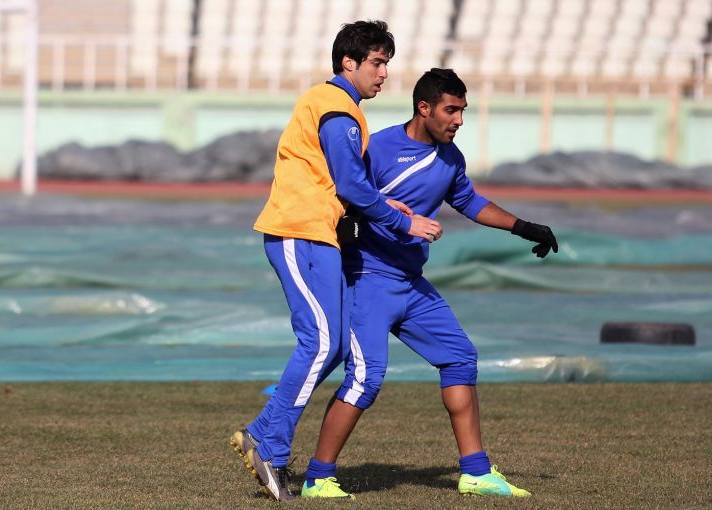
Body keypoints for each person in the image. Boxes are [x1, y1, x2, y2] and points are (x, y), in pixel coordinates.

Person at [299, 68, 558, 500]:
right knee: (366, 380)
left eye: (463, 111)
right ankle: (317, 478)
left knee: (460, 358)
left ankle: (475, 473)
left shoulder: (451, 158)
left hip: (411, 284)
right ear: (424, 108)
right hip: (367, 280)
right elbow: (343, 196)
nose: (459, 120)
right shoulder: (377, 147)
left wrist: (523, 226)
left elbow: (469, 201)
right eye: (451, 110)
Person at [228, 21, 441, 501]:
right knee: (321, 341)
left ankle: (260, 432)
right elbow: (349, 184)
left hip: (318, 234)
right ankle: (272, 450)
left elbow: (345, 185)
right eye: (377, 62)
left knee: (337, 344)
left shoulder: (340, 108)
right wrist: (403, 222)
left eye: (386, 63)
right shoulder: (337, 107)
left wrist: (385, 206)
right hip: (299, 232)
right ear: (349, 62)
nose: (384, 73)